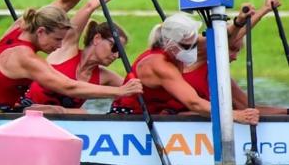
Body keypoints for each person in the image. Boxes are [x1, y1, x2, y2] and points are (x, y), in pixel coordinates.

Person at [0, 0, 143, 112]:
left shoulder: (21, 25)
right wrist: (119, 92)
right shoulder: (26, 57)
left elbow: (64, 3)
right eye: (57, 39)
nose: (60, 45)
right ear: (41, 31)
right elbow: (69, 87)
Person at [21, 0, 150, 113]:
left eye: (120, 54)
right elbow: (90, 5)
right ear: (97, 38)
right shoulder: (66, 47)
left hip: (62, 127)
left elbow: (140, 92)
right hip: (26, 114)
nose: (116, 56)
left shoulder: (106, 76)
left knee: (83, 112)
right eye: (115, 48)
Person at [110, 12, 259, 125]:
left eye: (195, 43)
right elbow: (194, 103)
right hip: (129, 119)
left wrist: (239, 22)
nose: (194, 49)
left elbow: (222, 36)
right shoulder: (159, 65)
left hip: (157, 115)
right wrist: (235, 115)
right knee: (194, 110)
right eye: (189, 46)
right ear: (170, 43)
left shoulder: (183, 42)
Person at [183, 0, 288, 115]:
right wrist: (243, 19)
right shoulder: (198, 55)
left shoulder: (222, 76)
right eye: (232, 49)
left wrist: (286, 111)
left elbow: (247, 107)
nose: (235, 57)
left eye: (237, 51)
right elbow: (225, 37)